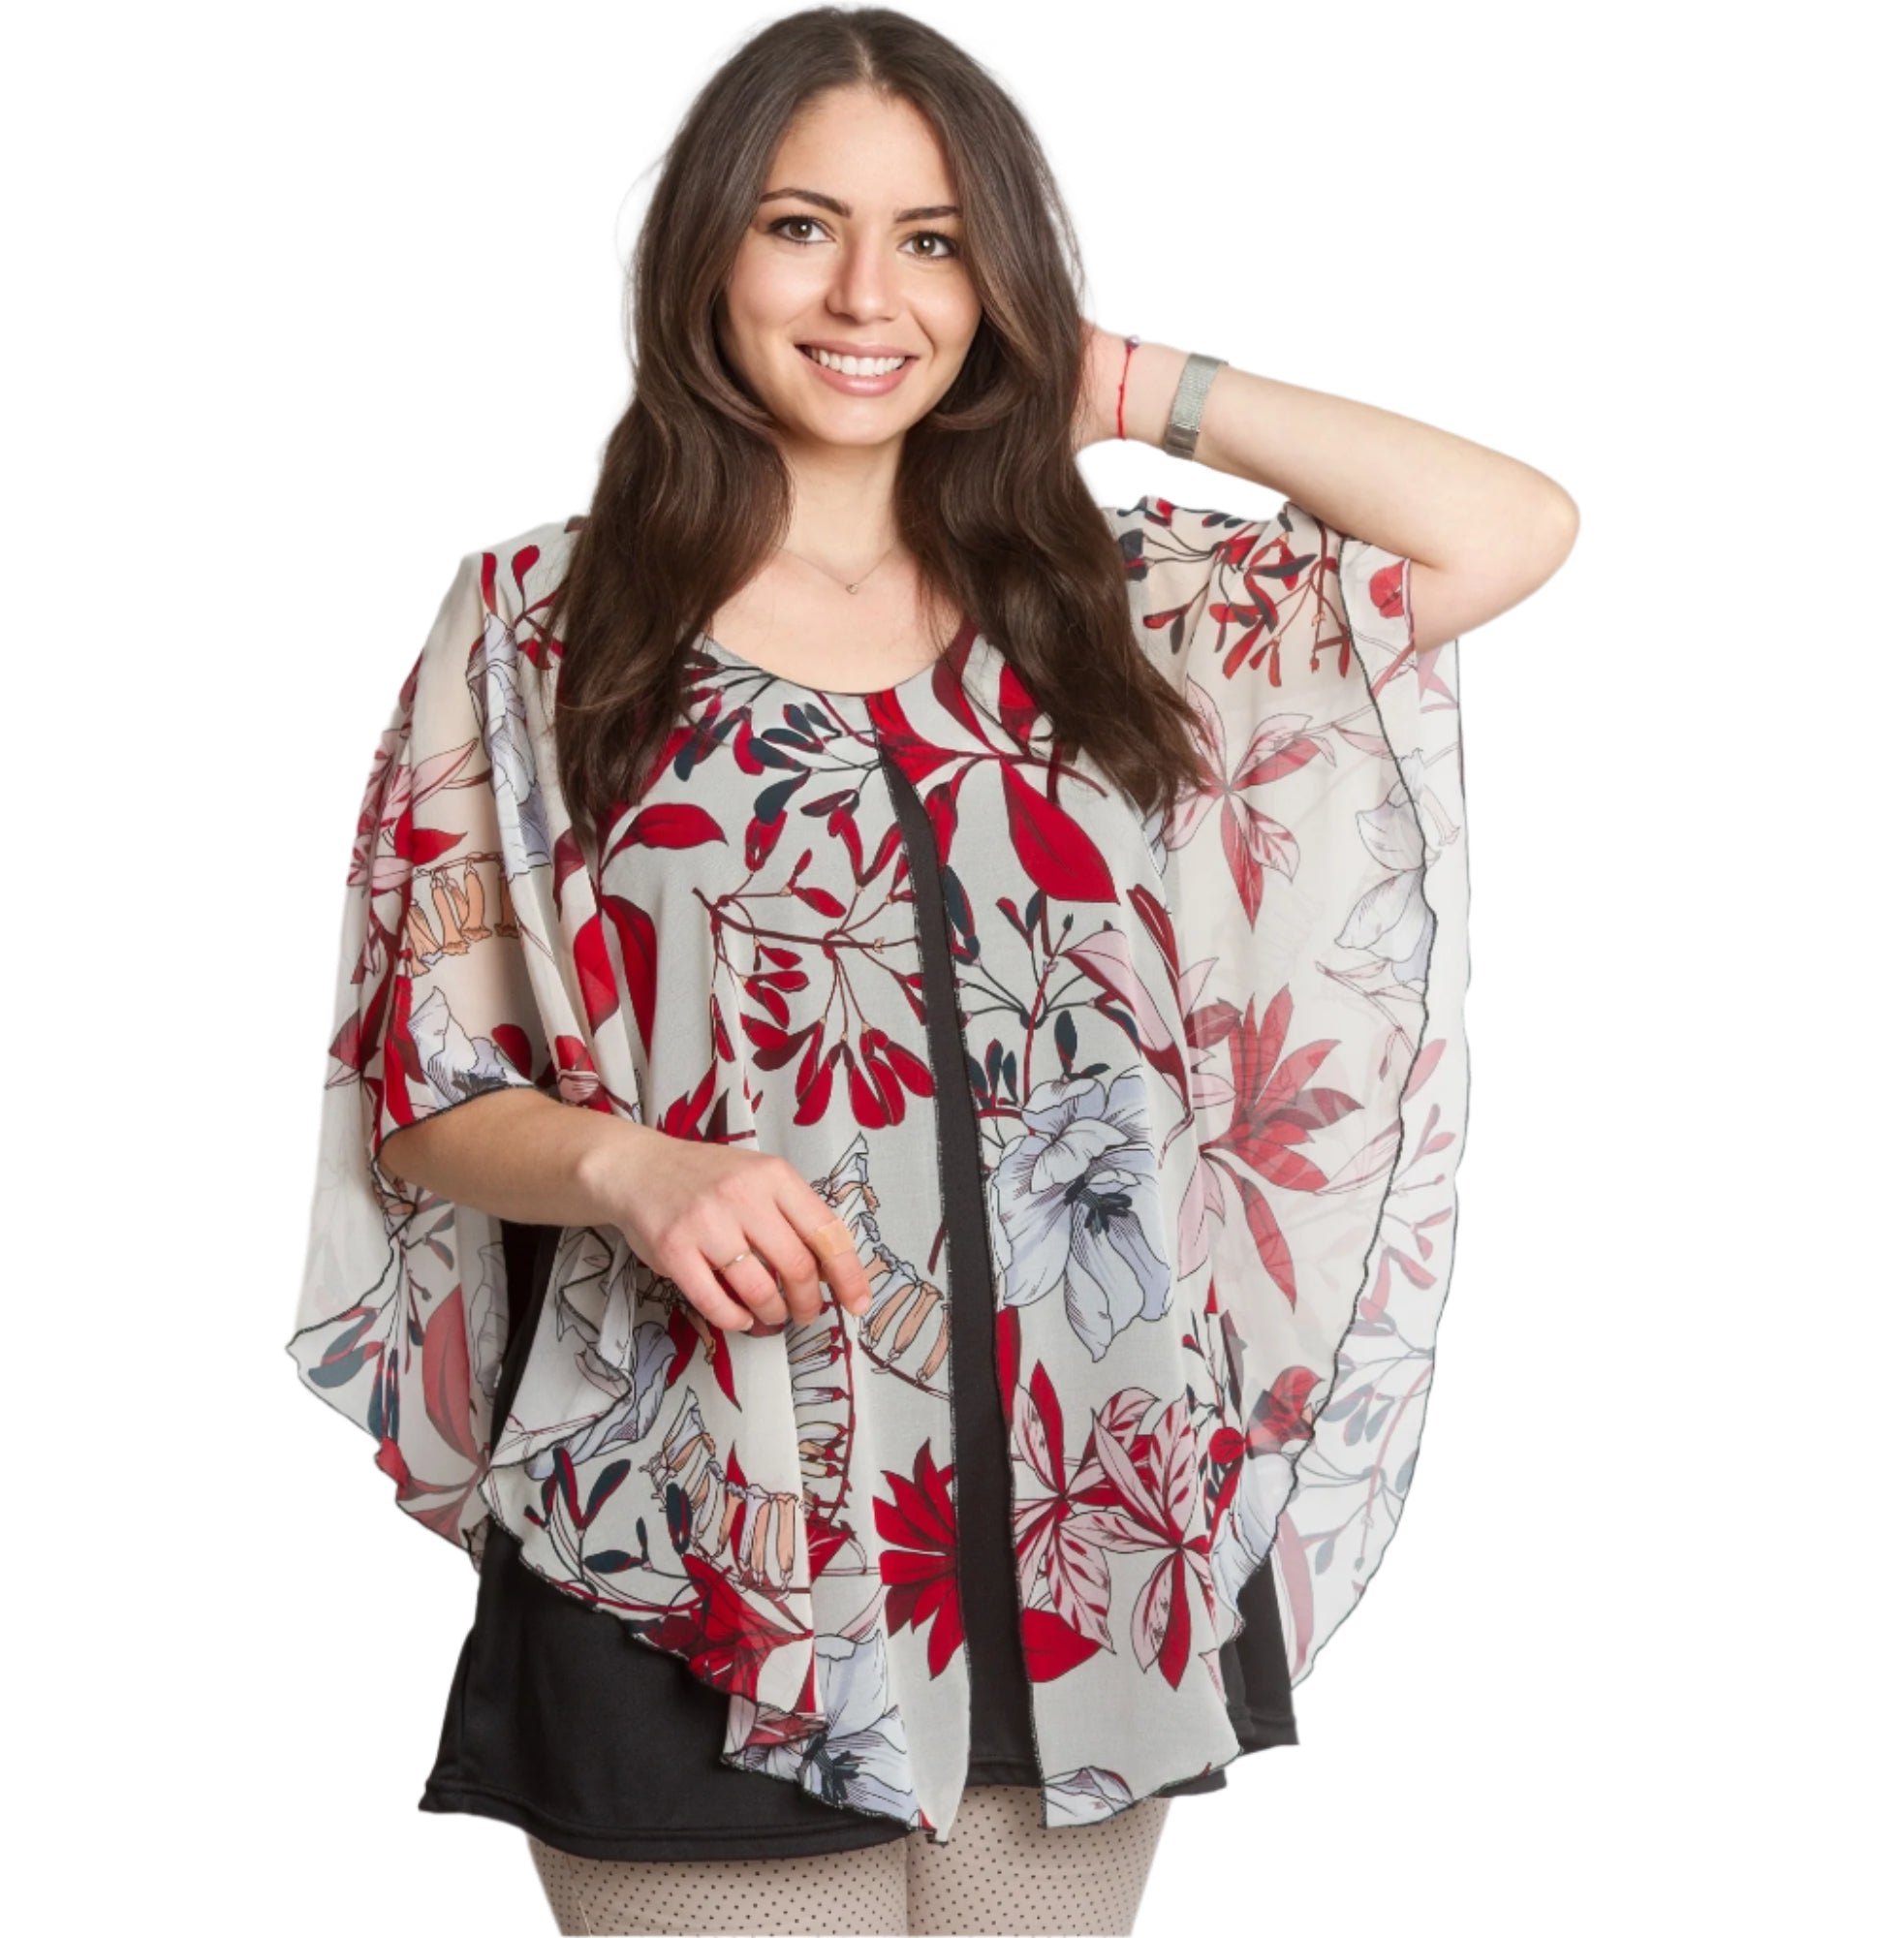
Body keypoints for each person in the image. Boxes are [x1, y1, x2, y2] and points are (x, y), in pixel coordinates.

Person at [286, 8, 1576, 1934]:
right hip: (710, 1515)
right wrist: (633, 1168)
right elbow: (426, 1091)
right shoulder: (543, 621)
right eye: (802, 226)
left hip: (1079, 1509)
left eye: (937, 241)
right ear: (707, 251)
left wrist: (1115, 377)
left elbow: (1508, 528)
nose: (866, 295)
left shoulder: (1113, 599)